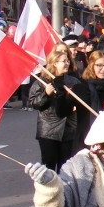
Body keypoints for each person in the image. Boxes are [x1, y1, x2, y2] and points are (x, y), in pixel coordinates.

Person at [29, 44, 80, 172]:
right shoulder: (42, 81)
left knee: (66, 167)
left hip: (68, 129)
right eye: (64, 61)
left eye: (68, 60)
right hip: (48, 131)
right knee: (49, 166)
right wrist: (45, 94)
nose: (67, 63)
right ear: (55, 63)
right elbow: (33, 103)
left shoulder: (73, 81)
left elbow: (81, 100)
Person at [73, 50, 104, 145]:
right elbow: (62, 111)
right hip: (85, 139)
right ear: (92, 66)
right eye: (99, 65)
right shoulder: (80, 89)